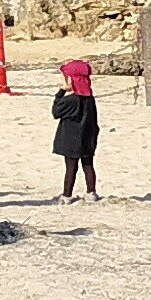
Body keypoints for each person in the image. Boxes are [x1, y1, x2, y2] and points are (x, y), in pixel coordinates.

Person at [53, 57, 100, 200]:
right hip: (87, 137)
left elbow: (55, 112)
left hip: (70, 139)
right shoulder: (90, 100)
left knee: (71, 168)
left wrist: (60, 92)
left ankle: (67, 195)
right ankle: (91, 193)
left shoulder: (70, 100)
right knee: (88, 165)